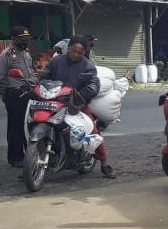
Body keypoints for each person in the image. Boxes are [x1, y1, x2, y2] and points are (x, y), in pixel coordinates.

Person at [37, 35, 115, 178]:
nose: (76, 55)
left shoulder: (87, 66)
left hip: (76, 104)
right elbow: (44, 75)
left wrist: (81, 93)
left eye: (80, 53)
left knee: (93, 129)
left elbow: (94, 84)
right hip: (54, 101)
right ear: (68, 48)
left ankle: (104, 163)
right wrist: (35, 82)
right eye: (73, 51)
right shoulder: (56, 61)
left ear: (84, 52)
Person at [0, 25, 35, 168]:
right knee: (16, 126)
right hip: (14, 93)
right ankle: (15, 157)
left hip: (29, 91)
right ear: (13, 39)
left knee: (28, 124)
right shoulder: (6, 54)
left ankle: (30, 153)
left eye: (26, 38)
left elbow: (30, 72)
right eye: (21, 39)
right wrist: (6, 95)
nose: (24, 41)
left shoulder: (26, 53)